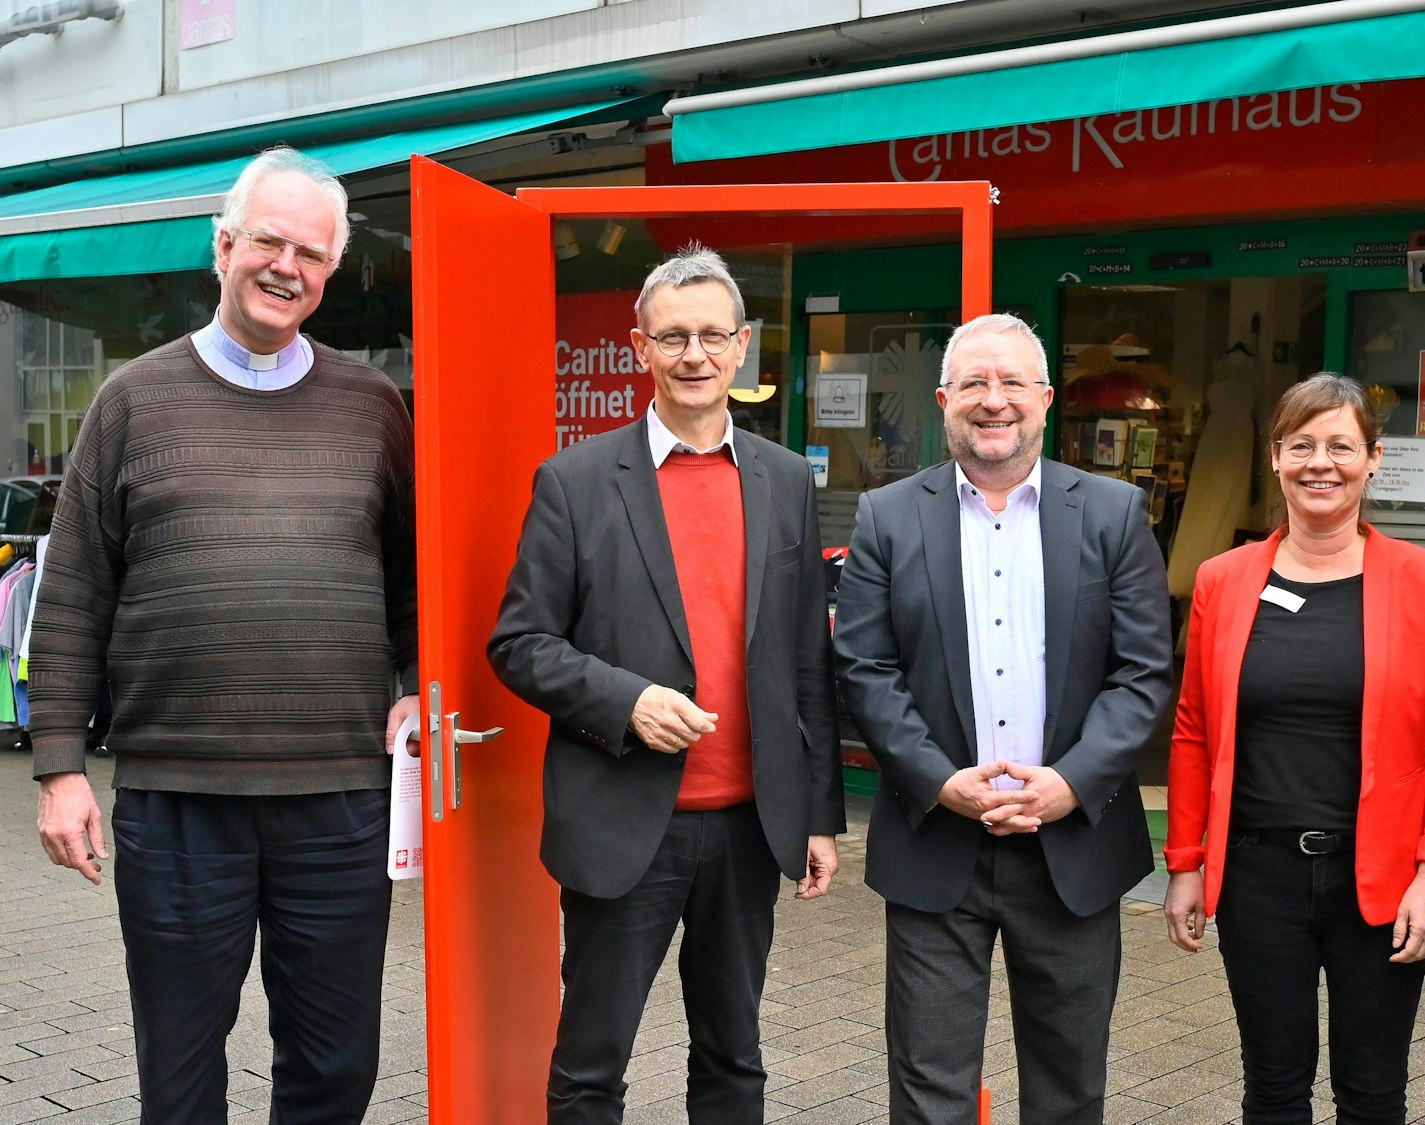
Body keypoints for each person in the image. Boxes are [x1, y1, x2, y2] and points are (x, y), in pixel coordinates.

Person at [30, 146, 418, 1124]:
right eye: (270, 241)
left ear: (331, 272)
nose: (288, 266)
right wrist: (60, 766)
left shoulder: (374, 408)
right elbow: (73, 588)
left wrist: (417, 682)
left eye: (313, 254)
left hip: (337, 800)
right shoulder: (130, 403)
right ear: (224, 246)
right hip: (176, 800)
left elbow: (414, 575)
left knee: (336, 1068)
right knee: (181, 1073)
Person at [488, 243, 842, 1124]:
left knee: (734, 1060)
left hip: (748, 828)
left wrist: (820, 816)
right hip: (622, 825)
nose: (695, 355)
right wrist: (626, 700)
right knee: (589, 1068)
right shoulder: (574, 481)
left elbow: (807, 661)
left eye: (712, 335)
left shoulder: (786, 480)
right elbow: (519, 641)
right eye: (674, 336)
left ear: (742, 345)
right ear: (640, 346)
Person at [833, 312, 1173, 1125]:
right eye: (975, 384)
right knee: (928, 1094)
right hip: (934, 843)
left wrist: (1071, 783)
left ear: (1046, 399)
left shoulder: (1114, 513)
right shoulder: (887, 516)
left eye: (1012, 382)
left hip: (1072, 846)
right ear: (944, 399)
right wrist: (939, 780)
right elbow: (866, 669)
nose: (995, 402)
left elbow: (1144, 673)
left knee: (1068, 1091)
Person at [1162, 372, 1425, 1124]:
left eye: (1341, 445)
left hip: (1382, 880)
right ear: (1276, 457)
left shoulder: (1423, 580)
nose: (1320, 462)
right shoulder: (1223, 579)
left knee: (1371, 1092)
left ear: (1372, 459)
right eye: (1301, 444)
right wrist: (1184, 865)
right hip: (1257, 876)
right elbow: (1194, 731)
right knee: (1273, 1086)